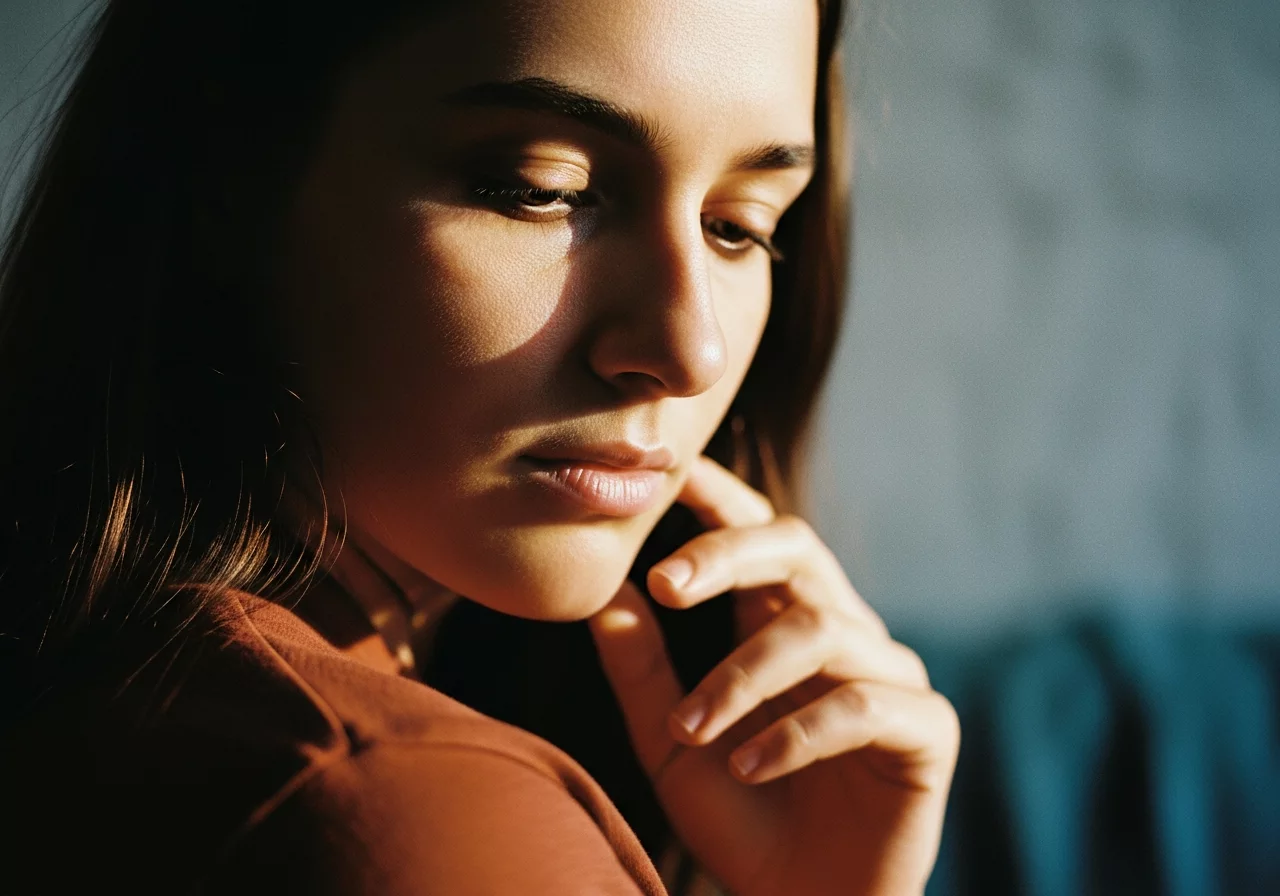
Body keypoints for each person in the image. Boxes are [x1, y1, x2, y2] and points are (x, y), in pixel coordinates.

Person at [0, 0, 960, 893]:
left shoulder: (118, 679)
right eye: (540, 189)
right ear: (231, 176)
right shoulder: (404, 807)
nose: (689, 349)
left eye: (738, 227)